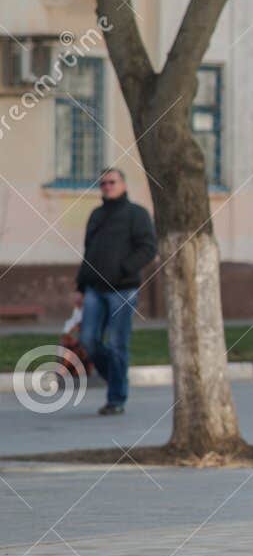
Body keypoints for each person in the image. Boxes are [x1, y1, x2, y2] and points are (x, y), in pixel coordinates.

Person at [74, 167, 156, 416]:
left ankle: (116, 399)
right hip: (94, 290)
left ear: (123, 185)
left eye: (112, 182)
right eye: (103, 184)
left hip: (123, 289)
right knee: (88, 341)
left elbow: (148, 248)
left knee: (118, 343)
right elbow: (88, 252)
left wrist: (123, 269)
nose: (107, 186)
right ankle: (118, 379)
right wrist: (80, 286)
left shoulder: (136, 214)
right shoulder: (96, 215)